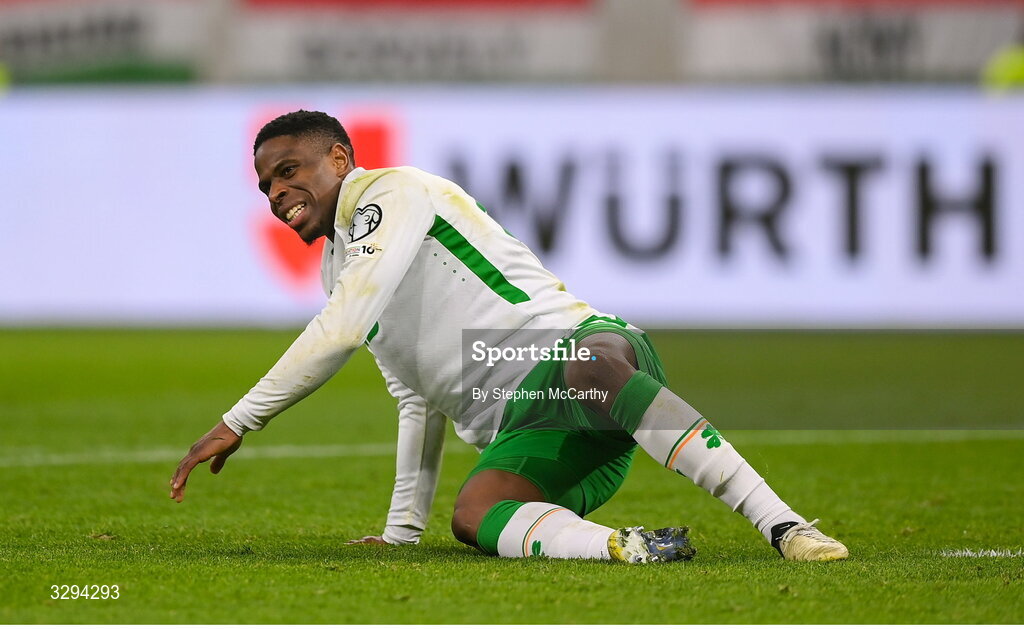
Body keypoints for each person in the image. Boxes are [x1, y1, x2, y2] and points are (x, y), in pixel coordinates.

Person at [170, 110, 849, 563]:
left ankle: (786, 525)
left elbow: (342, 329)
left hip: (590, 354)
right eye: (265, 185)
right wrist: (403, 533)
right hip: (542, 439)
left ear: (341, 158)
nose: (277, 192)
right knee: (474, 514)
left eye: (289, 170)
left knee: (589, 365)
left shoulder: (394, 192)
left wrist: (239, 419)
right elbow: (416, 396)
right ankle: (626, 546)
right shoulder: (336, 268)